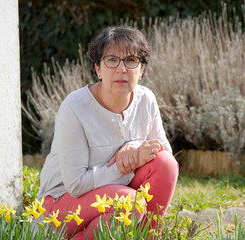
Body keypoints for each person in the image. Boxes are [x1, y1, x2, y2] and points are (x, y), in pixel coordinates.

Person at [37, 26, 179, 239]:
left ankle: (146, 237)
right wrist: (126, 166)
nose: (121, 69)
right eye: (112, 60)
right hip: (60, 205)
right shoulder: (75, 107)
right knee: (129, 203)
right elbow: (75, 185)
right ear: (98, 69)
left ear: (141, 71)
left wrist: (133, 146)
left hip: (114, 198)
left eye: (131, 60)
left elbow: (162, 156)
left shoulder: (146, 99)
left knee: (165, 164)